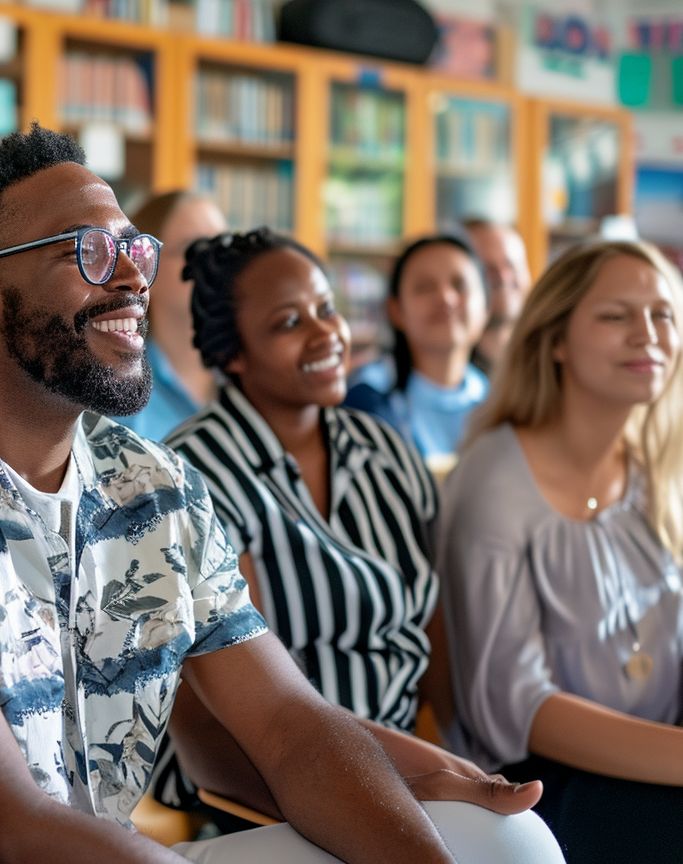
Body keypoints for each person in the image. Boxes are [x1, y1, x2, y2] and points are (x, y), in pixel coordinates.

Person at [0, 126, 559, 864]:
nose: (133, 277)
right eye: (88, 252)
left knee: (502, 841)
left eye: (132, 247)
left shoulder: (157, 484)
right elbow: (2, 829)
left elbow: (287, 727)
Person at [147, 227, 533, 830]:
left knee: (517, 834)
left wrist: (466, 760)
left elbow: (430, 629)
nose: (326, 333)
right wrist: (418, 779)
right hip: (263, 792)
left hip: (410, 768)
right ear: (233, 353)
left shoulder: (385, 451)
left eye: (327, 309)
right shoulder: (194, 475)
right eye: (288, 323)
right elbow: (237, 715)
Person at [438, 240, 683, 863]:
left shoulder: (659, 469)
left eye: (663, 315)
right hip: (536, 788)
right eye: (616, 315)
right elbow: (515, 706)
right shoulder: (495, 479)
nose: (648, 334)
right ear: (556, 340)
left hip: (661, 755)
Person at [345, 236, 489, 460]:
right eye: (424, 288)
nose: (445, 297)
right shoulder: (365, 401)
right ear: (395, 310)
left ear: (486, 308)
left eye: (460, 285)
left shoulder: (504, 402)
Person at [119, 192, 227, 441]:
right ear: (144, 267)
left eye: (223, 246)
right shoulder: (119, 390)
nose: (215, 262)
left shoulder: (254, 376)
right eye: (194, 248)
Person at [462, 220, 532, 375]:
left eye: (512, 265)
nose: (503, 276)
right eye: (488, 268)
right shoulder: (449, 373)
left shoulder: (549, 359)